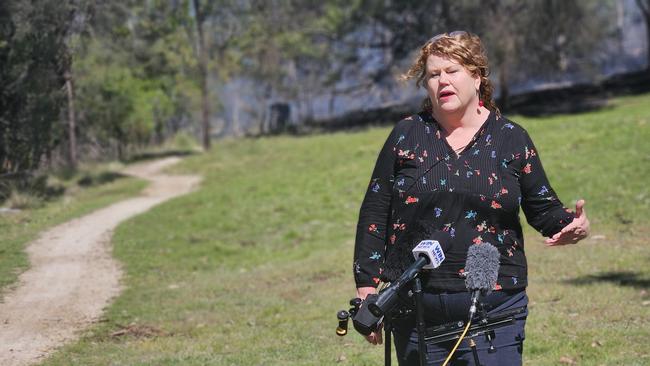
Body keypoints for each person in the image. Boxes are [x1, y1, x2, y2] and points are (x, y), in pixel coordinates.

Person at [352, 31, 590, 365]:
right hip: (416, 311)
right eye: (433, 75)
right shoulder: (406, 135)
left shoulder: (511, 138)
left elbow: (543, 208)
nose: (442, 81)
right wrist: (367, 289)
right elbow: (376, 212)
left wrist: (572, 225)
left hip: (496, 311)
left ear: (477, 77)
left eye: (452, 71)